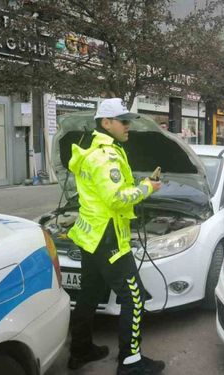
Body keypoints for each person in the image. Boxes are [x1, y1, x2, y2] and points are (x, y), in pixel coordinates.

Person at [67, 98, 165, 375]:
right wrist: (147, 187)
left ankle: (80, 350)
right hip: (109, 238)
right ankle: (130, 362)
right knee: (134, 299)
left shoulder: (92, 150)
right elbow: (117, 199)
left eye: (128, 120)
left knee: (89, 294)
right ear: (106, 122)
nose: (128, 126)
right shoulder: (106, 156)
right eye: (123, 121)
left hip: (90, 236)